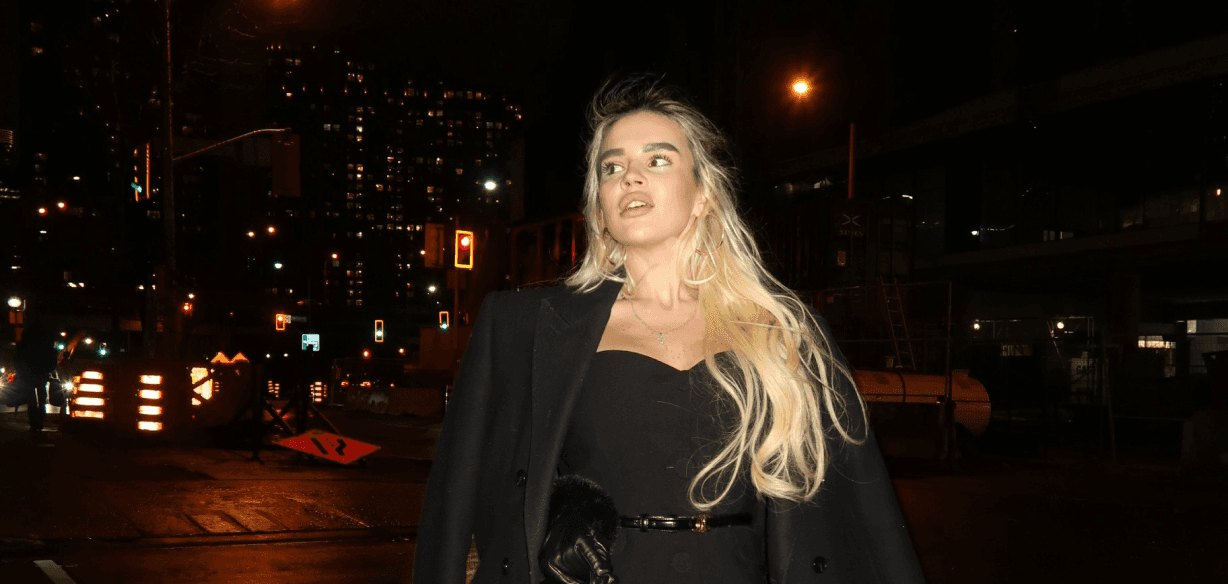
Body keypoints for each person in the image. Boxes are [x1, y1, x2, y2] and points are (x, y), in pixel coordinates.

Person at [414, 76, 924, 583]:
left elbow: (869, 518)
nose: (630, 178)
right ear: (599, 205)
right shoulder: (522, 327)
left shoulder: (784, 332)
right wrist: (558, 509)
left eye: (657, 160)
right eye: (612, 167)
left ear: (702, 194)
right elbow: (463, 501)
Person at [14, 316, 60, 443]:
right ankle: (39, 421)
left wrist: (21, 370)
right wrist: (49, 369)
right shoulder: (46, 339)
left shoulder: (26, 340)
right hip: (41, 373)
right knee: (41, 398)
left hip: (29, 373)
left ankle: (34, 422)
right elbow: (52, 356)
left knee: (32, 400)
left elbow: (19, 355)